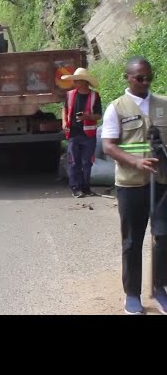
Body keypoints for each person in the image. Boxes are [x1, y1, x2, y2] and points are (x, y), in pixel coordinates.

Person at [101, 56, 167, 315]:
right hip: (131, 185)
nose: (145, 81)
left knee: (163, 237)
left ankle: (160, 288)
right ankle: (132, 295)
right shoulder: (116, 108)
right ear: (127, 77)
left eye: (149, 76)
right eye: (140, 77)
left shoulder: (163, 104)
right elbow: (108, 146)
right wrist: (135, 162)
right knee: (132, 241)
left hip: (162, 182)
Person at [60, 67, 103, 198]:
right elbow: (65, 109)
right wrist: (64, 122)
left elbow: (98, 115)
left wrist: (87, 117)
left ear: (85, 82)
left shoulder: (95, 96)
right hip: (73, 133)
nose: (75, 83)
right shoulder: (70, 94)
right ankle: (75, 188)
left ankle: (86, 187)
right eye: (75, 80)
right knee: (74, 162)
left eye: (78, 80)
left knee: (87, 162)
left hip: (88, 135)